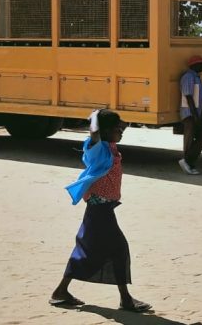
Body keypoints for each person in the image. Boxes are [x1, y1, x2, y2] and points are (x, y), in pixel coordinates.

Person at [51, 109, 152, 312]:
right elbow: (95, 133)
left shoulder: (111, 145)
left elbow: (122, 124)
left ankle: (61, 292)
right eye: (116, 129)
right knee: (117, 249)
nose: (121, 131)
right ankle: (125, 299)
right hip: (99, 208)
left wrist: (110, 118)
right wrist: (95, 115)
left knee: (90, 250)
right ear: (104, 130)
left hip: (104, 207)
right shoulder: (96, 148)